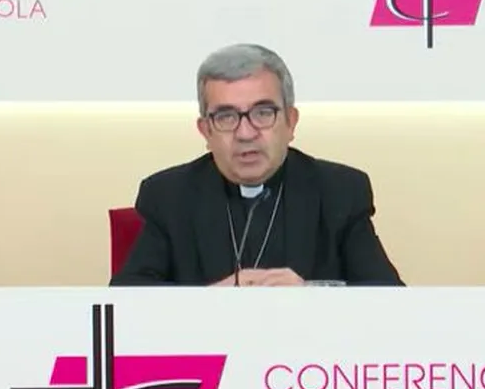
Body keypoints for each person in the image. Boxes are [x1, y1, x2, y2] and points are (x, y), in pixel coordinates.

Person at [110, 43, 404, 286]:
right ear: (205, 131)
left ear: (291, 122)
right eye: (226, 116)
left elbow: (390, 300)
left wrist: (311, 296)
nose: (246, 133)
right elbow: (127, 299)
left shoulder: (339, 191)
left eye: (263, 113)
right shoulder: (168, 195)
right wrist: (207, 302)